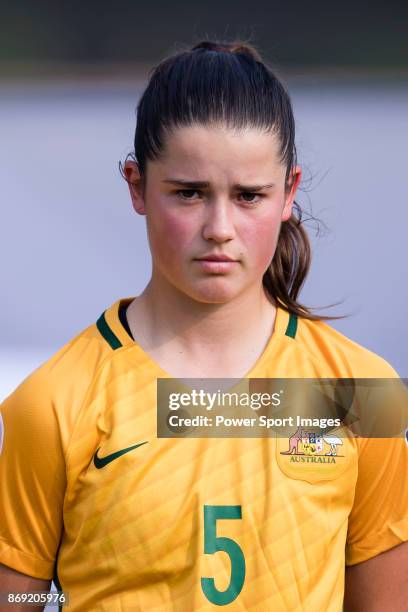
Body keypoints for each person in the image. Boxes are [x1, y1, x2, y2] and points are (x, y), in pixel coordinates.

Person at [0, 39, 407, 611]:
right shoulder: (53, 403)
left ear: (289, 192)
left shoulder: (361, 392)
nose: (219, 227)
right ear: (136, 185)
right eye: (189, 193)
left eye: (249, 196)